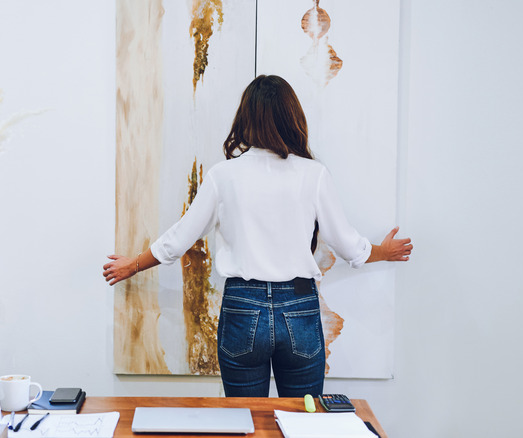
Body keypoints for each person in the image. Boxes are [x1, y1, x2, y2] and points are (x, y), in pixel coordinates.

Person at [103, 75, 412, 397]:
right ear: (293, 116)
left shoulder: (224, 176)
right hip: (299, 307)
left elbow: (179, 238)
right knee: (303, 421)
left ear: (245, 118)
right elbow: (350, 246)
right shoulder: (313, 174)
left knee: (245, 421)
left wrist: (133, 265)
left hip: (242, 307)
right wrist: (384, 251)